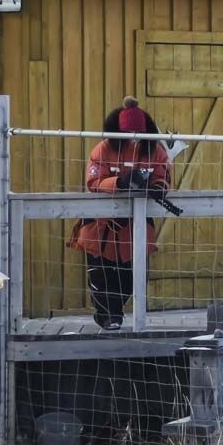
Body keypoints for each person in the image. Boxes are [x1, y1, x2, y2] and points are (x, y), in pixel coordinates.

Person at [69, 97, 172, 330]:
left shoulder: (155, 150)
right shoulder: (102, 149)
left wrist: (157, 188)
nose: (134, 138)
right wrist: (122, 182)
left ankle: (118, 310)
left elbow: (163, 176)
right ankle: (108, 316)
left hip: (135, 225)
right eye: (129, 133)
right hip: (101, 225)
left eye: (139, 133)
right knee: (101, 275)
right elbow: (94, 181)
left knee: (132, 277)